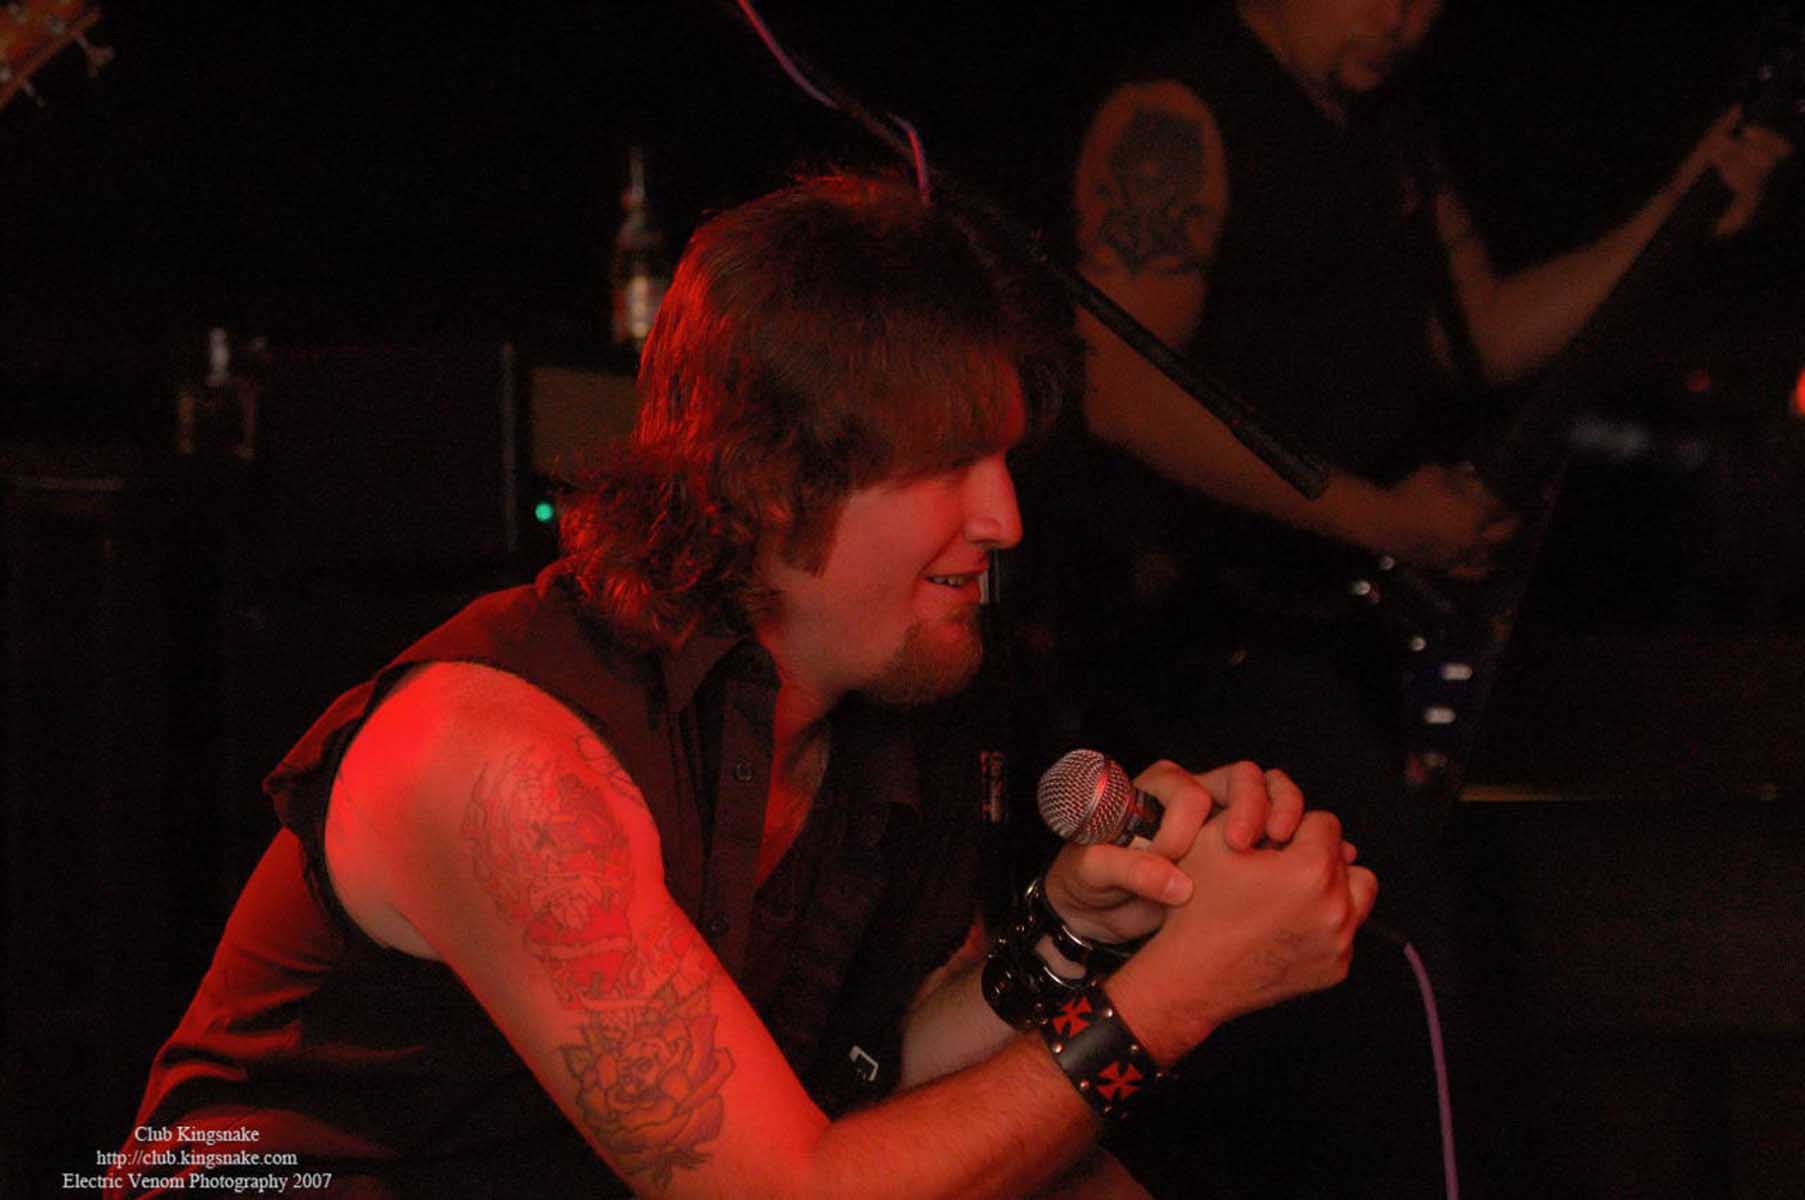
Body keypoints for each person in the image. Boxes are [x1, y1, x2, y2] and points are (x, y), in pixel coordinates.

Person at [108, 171, 1378, 1199]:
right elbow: (785, 1190)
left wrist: (1073, 939)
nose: (1001, 518)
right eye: (945, 461)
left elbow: (870, 1074)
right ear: (771, 480)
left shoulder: (876, 721)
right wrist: (1178, 995)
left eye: (1000, 457)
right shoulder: (500, 759)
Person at [1053, 2, 1793, 1196]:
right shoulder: (1176, 114)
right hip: (1203, 654)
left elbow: (1481, 333)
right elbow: (1119, 386)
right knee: (1382, 1000)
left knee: (1431, 992)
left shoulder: (1385, 132)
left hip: (1349, 648)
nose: (1408, 19)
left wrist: (1677, 211)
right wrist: (1377, 516)